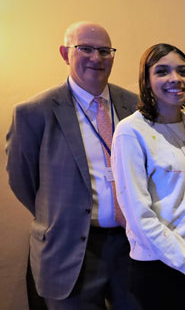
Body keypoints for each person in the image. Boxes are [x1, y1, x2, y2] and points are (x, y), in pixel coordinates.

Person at [6, 21, 140, 309]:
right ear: (65, 54)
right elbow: (22, 179)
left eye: (104, 50)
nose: (96, 58)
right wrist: (59, 214)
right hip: (69, 251)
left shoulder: (135, 106)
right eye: (85, 49)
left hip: (131, 246)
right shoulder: (34, 113)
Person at [111, 43, 185, 309]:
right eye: (162, 71)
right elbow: (139, 216)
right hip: (160, 265)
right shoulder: (131, 132)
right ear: (147, 80)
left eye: (183, 71)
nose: (175, 79)